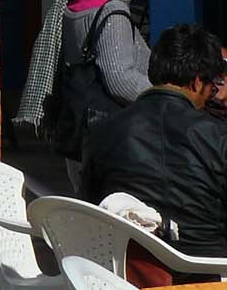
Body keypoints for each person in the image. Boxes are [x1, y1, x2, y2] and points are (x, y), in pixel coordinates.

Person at [16, 0, 151, 185]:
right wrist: (164, 99)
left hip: (82, 134)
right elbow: (121, 80)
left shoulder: (75, 2)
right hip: (112, 141)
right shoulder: (111, 12)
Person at [83, 23, 227, 261]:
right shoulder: (218, 137)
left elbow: (92, 206)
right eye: (212, 89)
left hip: (127, 273)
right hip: (207, 273)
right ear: (197, 82)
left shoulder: (103, 131)